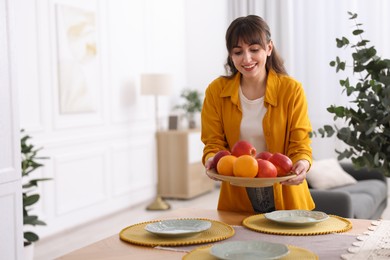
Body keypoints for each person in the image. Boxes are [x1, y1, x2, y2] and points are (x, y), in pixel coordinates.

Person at [201, 15, 315, 213]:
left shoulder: (292, 90)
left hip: (287, 197)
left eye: (254, 50)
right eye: (238, 52)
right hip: (237, 197)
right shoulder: (216, 91)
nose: (246, 59)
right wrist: (212, 158)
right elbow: (213, 143)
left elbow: (300, 143)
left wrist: (302, 163)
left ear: (269, 48)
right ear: (231, 55)